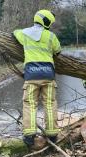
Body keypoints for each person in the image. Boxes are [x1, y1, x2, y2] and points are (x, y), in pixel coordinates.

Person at [13, 10, 61, 146]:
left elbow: (15, 33)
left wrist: (19, 32)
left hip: (32, 74)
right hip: (48, 75)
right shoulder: (51, 36)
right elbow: (58, 50)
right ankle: (52, 134)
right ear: (47, 22)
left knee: (29, 104)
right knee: (50, 103)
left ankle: (29, 135)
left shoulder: (24, 34)